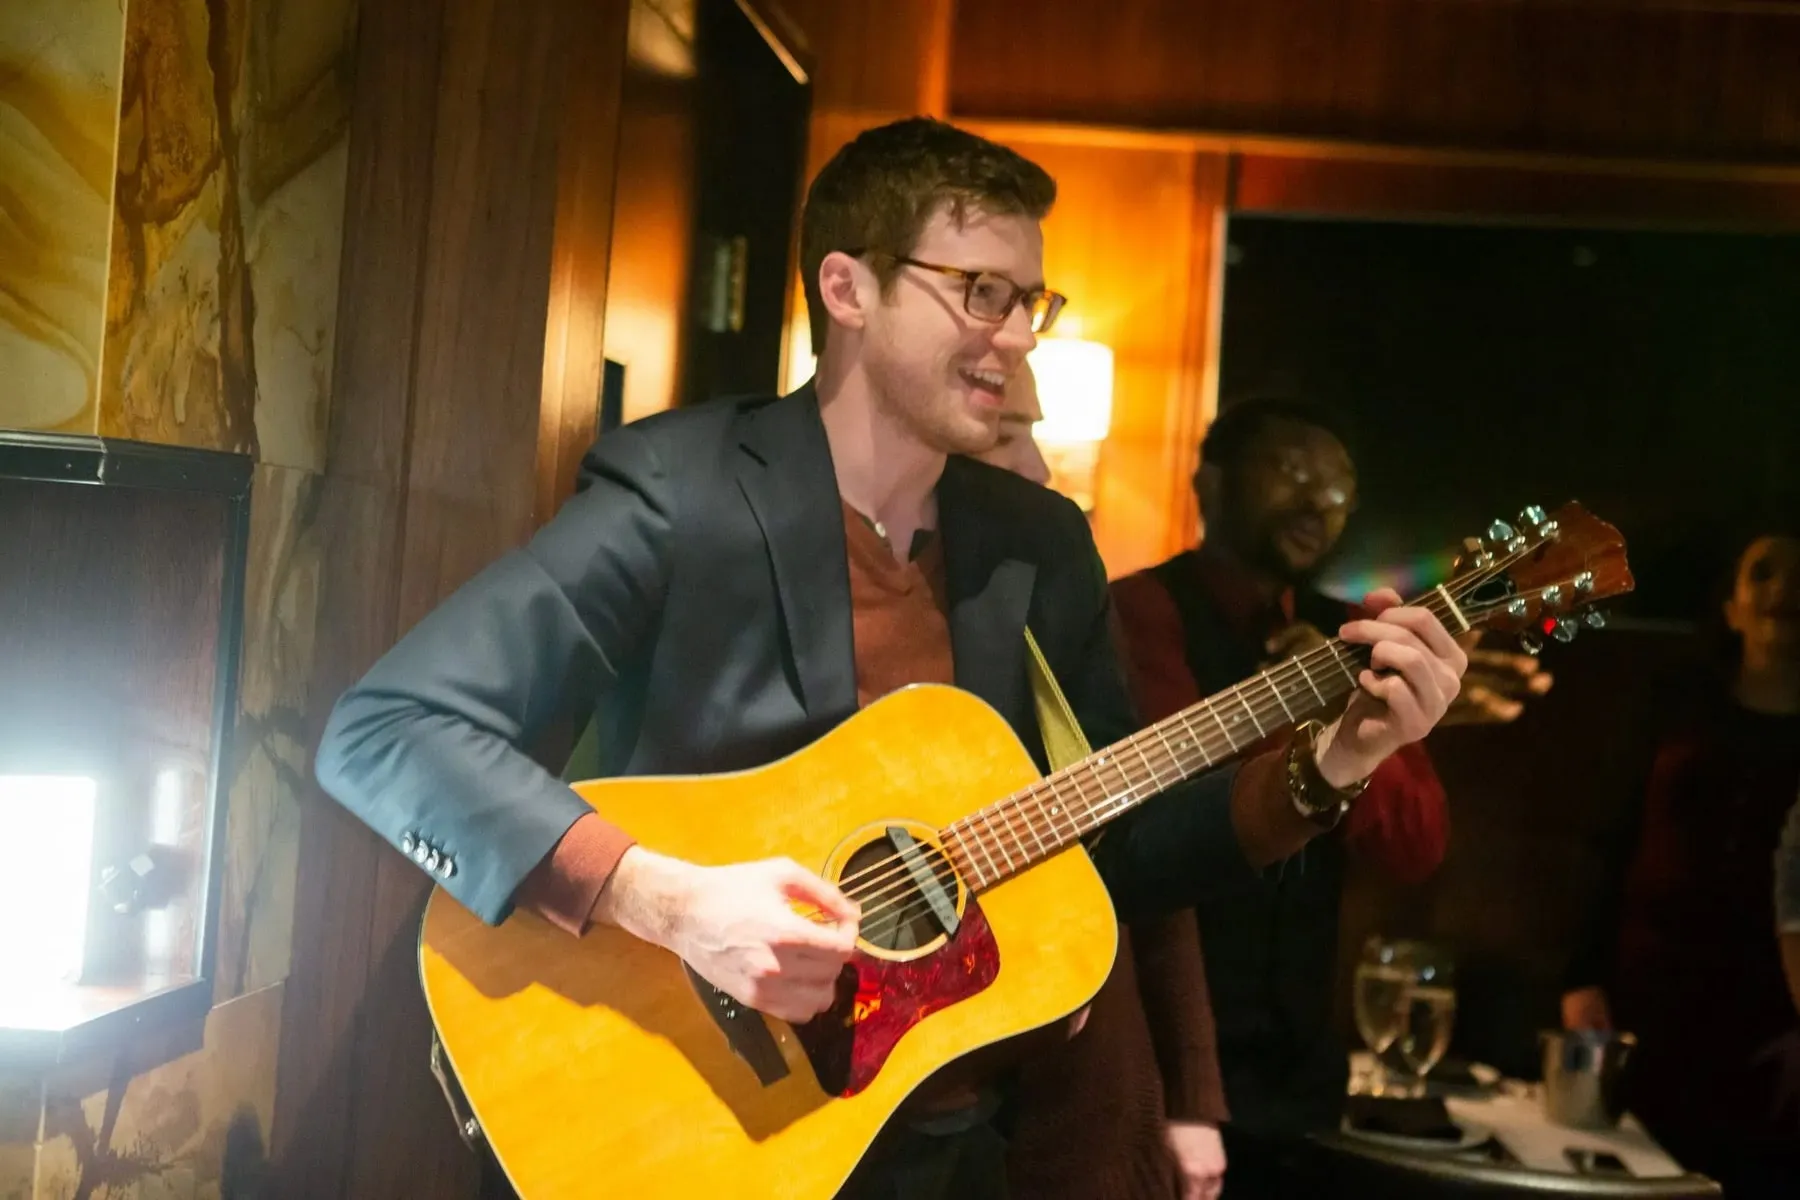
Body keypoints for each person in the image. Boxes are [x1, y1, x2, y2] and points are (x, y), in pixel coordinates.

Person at [313, 120, 1469, 1200]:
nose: (1018, 335)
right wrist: (672, 902)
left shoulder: (1038, 545)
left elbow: (1115, 846)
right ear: (848, 288)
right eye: (980, 292)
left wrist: (1337, 759)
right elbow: (387, 731)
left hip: (946, 1142)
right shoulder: (680, 490)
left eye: (1031, 301)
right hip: (687, 1109)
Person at [1109, 396, 1537, 1196]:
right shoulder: (1139, 609)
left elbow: (1415, 846)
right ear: (1211, 480)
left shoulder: (1356, 632)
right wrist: (1303, 707)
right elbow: (1162, 807)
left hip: (1302, 1060)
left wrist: (1364, 729)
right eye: (1292, 471)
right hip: (1163, 1053)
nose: (1319, 503)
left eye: (1340, 488)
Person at [973, 370, 1230, 1200]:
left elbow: (1137, 833)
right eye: (1009, 434)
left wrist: (1191, 1096)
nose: (1041, 468)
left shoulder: (1056, 598)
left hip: (1084, 1100)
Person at [1562, 529, 1800, 1197]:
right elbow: (1611, 841)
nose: (1786, 589)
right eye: (1764, 573)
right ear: (1731, 606)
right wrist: (1581, 977)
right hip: (1650, 1000)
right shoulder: (1675, 706)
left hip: (1772, 1019)